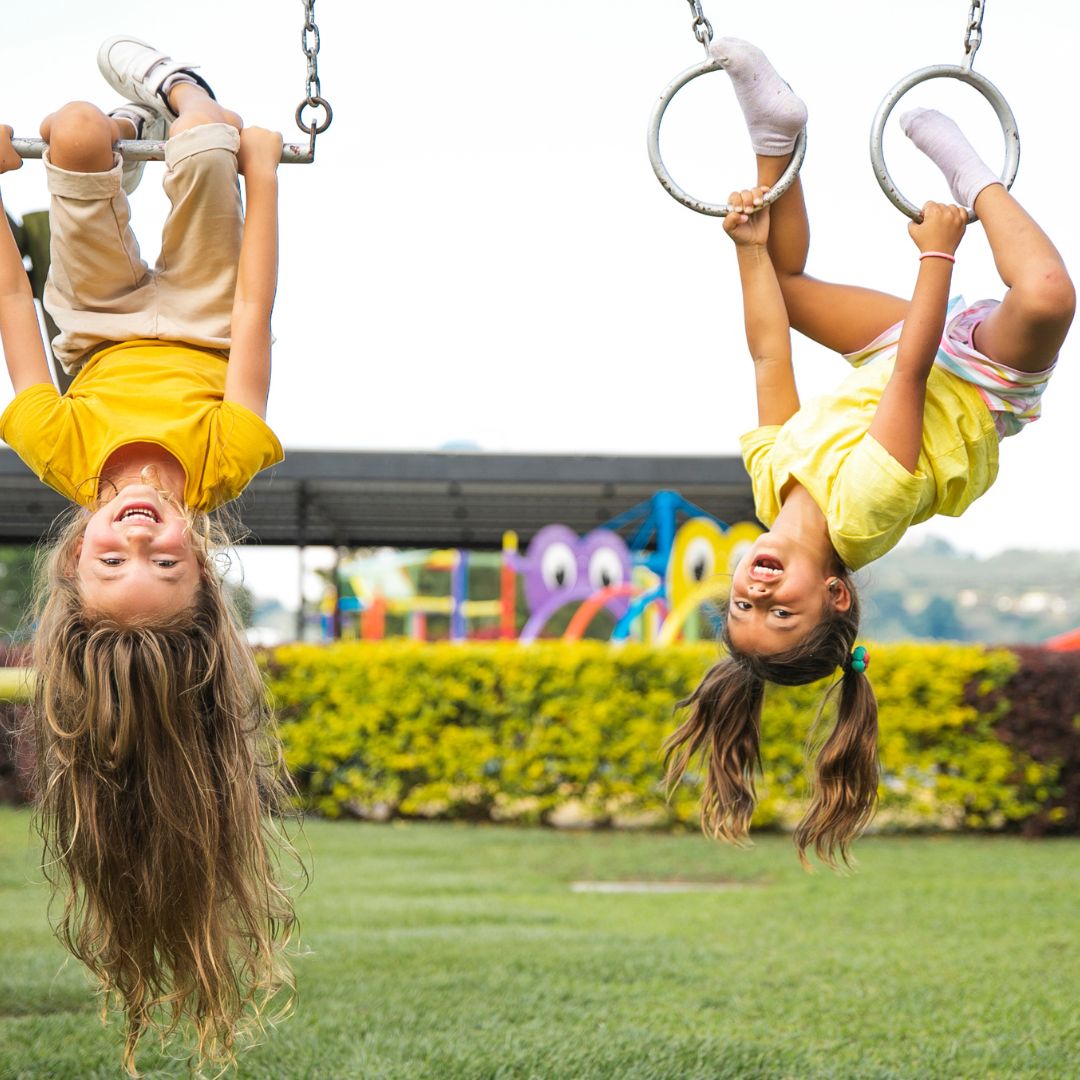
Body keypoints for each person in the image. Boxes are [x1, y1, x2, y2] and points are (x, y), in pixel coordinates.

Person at [664, 39, 1075, 868]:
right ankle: (974, 174)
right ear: (837, 594)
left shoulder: (770, 483)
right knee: (1049, 296)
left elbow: (769, 356)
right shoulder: (863, 513)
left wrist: (747, 250)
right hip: (978, 382)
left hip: (895, 351)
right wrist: (938, 250)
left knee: (781, 278)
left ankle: (773, 128)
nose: (757, 592)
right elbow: (915, 383)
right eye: (783, 612)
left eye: (743, 608)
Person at [0, 36, 297, 1073]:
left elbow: (14, 315)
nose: (138, 541)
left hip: (96, 323)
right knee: (212, 140)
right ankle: (180, 95)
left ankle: (126, 133)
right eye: (163, 566)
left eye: (112, 564)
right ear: (201, 568)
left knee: (74, 130)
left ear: (77, 550)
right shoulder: (226, 458)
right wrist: (263, 182)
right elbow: (256, 315)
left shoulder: (60, 448)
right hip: (208, 320)